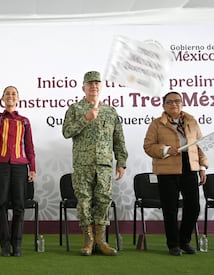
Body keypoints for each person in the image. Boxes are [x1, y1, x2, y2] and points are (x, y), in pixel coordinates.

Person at [62, 71, 128, 256]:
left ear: (101, 87)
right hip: (83, 164)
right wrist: (85, 119)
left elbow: (119, 139)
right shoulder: (75, 109)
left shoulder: (110, 111)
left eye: (97, 83)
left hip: (105, 165)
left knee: (103, 200)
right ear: (83, 87)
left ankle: (101, 240)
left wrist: (121, 162)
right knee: (84, 201)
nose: (94, 86)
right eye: (90, 84)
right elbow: (66, 132)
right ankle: (88, 241)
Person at [143, 91, 208, 256]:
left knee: (193, 207)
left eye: (178, 101)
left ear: (182, 104)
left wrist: (203, 167)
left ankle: (184, 240)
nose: (174, 104)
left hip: (189, 168)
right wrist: (165, 149)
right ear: (164, 105)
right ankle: (173, 244)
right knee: (170, 209)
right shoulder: (157, 124)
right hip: (167, 170)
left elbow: (201, 146)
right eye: (170, 102)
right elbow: (148, 146)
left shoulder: (191, 121)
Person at [0, 65, 36, 257]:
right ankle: (5, 245)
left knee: (19, 206)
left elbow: (29, 147)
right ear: (2, 99)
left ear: (18, 99)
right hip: (1, 166)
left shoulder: (25, 121)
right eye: (7, 94)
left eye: (13, 93)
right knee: (1, 204)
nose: (10, 96)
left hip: (21, 167)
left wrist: (33, 168)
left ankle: (17, 244)